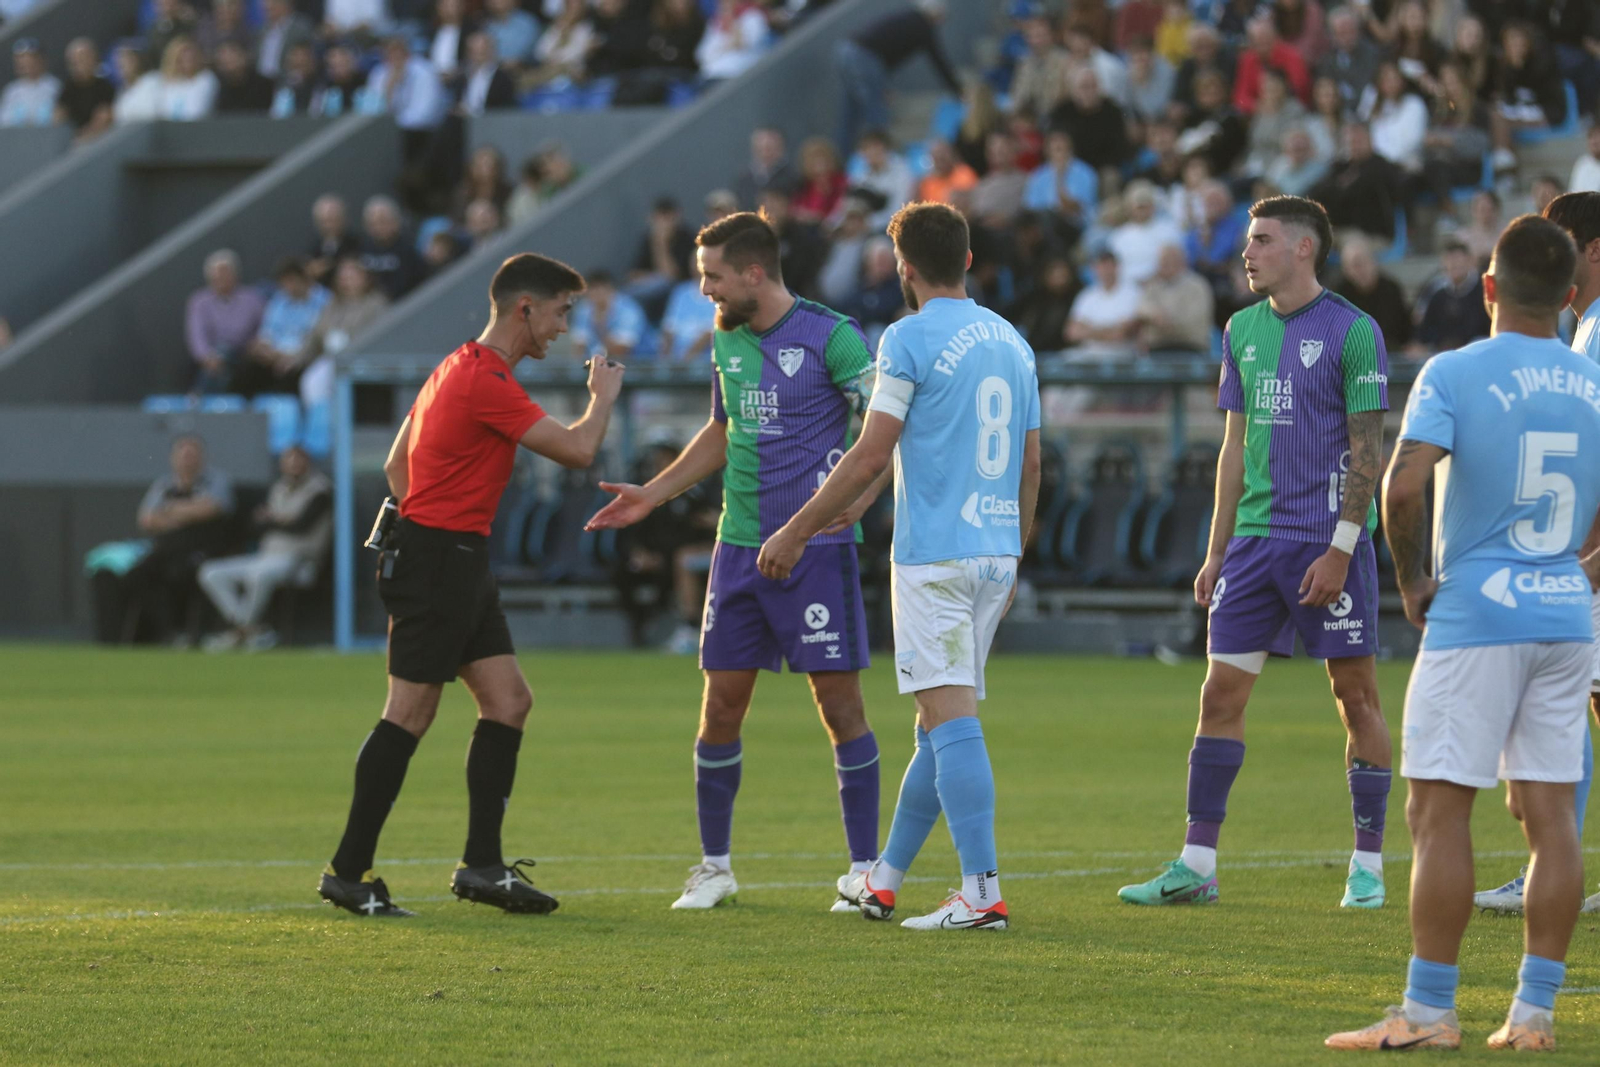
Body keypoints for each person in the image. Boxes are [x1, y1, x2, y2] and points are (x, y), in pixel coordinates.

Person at [1325, 214, 1598, 1054]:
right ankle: (1534, 1014)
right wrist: (1581, 568)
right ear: (1569, 295)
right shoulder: (1593, 379)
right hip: (1566, 612)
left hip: (1479, 613)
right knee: (1552, 817)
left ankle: (1430, 1010)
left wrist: (1410, 582)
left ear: (1487, 288)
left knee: (1438, 810)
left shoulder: (1454, 369)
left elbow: (1401, 489)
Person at [586, 212, 884, 913]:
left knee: (839, 706)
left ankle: (865, 869)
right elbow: (723, 429)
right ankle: (714, 866)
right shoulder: (726, 339)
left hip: (817, 549)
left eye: (713, 276)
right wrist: (654, 495)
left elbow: (884, 432)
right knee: (720, 706)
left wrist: (864, 502)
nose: (704, 290)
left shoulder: (832, 336)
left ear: (753, 271)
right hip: (738, 545)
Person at [318, 253, 625, 918]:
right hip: (439, 561)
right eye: (559, 312)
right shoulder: (485, 378)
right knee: (409, 713)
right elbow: (577, 449)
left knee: (509, 699)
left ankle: (482, 866)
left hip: (455, 556)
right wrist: (602, 399)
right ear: (525, 309)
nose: (562, 328)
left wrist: (436, 518)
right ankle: (348, 870)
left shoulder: (455, 366)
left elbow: (401, 463)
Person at [1117, 196, 1394, 911]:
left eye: (1263, 240)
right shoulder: (1240, 329)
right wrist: (1216, 549)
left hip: (1325, 545)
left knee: (1354, 696)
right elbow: (1234, 448)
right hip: (1253, 545)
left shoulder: (1354, 331)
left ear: (1304, 248)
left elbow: (1369, 450)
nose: (1248, 253)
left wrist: (1341, 548)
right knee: (1219, 693)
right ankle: (1196, 863)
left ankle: (1368, 866)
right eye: (1249, 241)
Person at [771, 200, 1042, 931]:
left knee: (951, 720)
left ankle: (982, 893)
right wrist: (1012, 555)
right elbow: (1032, 459)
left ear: (905, 269)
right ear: (970, 263)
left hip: (935, 559)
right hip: (993, 549)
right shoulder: (1013, 341)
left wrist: (798, 528)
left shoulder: (908, 337)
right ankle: (884, 879)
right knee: (935, 720)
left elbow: (869, 447)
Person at [1474, 193, 1600, 919]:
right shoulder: (1583, 333)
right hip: (1574, 559)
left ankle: (1551, 869)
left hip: (1582, 560)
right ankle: (1555, 867)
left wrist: (1585, 559)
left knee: (1557, 712)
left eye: (1570, 245)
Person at [94, 436, 236, 645]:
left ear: (202, 458)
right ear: (173, 458)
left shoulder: (217, 481)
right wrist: (189, 513)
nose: (188, 459)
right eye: (183, 454)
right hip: (165, 549)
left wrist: (170, 511)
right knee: (137, 576)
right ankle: (168, 631)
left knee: (179, 574)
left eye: (192, 454)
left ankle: (189, 631)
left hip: (201, 549)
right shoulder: (163, 485)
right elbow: (147, 519)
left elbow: (211, 509)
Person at [198, 445, 331, 652]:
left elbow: (301, 525)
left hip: (300, 560)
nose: (294, 464)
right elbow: (255, 525)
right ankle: (251, 631)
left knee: (259, 575)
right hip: (268, 556)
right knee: (211, 572)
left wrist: (271, 519)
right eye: (289, 459)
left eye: (299, 459)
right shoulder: (279, 488)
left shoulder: (321, 490)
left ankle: (238, 633)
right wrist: (277, 520)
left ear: (308, 462)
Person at [832, 0, 960, 153]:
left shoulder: (908, 19)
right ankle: (885, 154)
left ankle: (841, 154)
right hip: (863, 56)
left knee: (851, 112)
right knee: (877, 111)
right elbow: (939, 62)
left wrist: (884, 86)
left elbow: (886, 48)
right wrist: (959, 90)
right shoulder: (922, 25)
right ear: (934, 13)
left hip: (846, 51)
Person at [236, 257, 331, 397]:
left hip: (305, 357)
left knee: (290, 374)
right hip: (275, 355)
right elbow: (267, 333)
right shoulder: (279, 300)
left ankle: (284, 414)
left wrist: (292, 357)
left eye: (292, 281)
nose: (288, 287)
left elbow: (317, 339)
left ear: (304, 279)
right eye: (284, 283)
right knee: (247, 368)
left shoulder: (324, 301)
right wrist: (267, 350)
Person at [186, 249, 266, 394]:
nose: (221, 278)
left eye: (225, 273)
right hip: (214, 357)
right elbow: (197, 335)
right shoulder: (199, 301)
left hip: (246, 355)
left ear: (235, 275)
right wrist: (206, 357)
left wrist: (257, 344)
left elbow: (265, 328)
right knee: (220, 363)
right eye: (217, 274)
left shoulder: (252, 298)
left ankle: (198, 396)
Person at [1413, 239, 1492, 356]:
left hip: (1478, 352)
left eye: (1458, 259)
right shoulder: (1436, 293)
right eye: (1449, 259)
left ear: (1470, 261)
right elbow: (1425, 330)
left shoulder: (1485, 290)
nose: (1453, 264)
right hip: (1441, 354)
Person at [1333, 234, 1411, 352]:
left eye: (1363, 262)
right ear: (1346, 270)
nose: (1360, 270)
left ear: (1374, 261)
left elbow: (1404, 330)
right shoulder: (1338, 294)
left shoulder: (1391, 289)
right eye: (1354, 265)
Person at [1066, 249, 1142, 359]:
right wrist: (1109, 329)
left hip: (1123, 355)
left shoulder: (1133, 293)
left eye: (1108, 265)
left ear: (1117, 267)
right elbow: (1072, 332)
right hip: (1090, 355)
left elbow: (1121, 334)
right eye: (1101, 266)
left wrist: (1089, 329)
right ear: (1094, 268)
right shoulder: (1087, 296)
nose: (1105, 270)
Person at [1140, 243, 1213, 352]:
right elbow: (1142, 308)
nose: (1164, 264)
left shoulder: (1197, 286)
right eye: (1162, 261)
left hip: (1190, 349)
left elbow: (1194, 320)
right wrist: (1154, 315)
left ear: (1181, 261)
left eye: (1169, 260)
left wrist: (1165, 321)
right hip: (1157, 349)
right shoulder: (1153, 285)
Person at [570, 270, 647, 359]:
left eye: (600, 289)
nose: (597, 294)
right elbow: (579, 347)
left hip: (640, 363)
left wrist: (600, 322)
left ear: (611, 289)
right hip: (600, 363)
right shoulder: (584, 308)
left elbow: (621, 351)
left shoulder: (629, 310)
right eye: (592, 289)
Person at [359, 195, 424, 301]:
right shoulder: (363, 248)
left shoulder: (407, 249)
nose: (378, 227)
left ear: (395, 221)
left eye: (382, 221)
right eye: (372, 223)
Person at [55, 38, 114, 142]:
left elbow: (104, 117)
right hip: (72, 140)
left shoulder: (105, 87)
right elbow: (58, 117)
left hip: (99, 140)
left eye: (83, 59)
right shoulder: (67, 88)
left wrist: (83, 137)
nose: (79, 65)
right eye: (74, 61)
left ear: (94, 60)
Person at [731, 126, 796, 211]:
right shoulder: (743, 179)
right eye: (761, 147)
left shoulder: (793, 177)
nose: (765, 152)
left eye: (769, 147)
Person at [0, 38, 59, 127]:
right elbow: (4, 121)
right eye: (20, 59)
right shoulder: (11, 91)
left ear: (40, 59)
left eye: (30, 58)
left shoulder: (54, 86)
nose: (25, 63)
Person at [307, 195, 359, 286]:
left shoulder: (357, 242)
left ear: (343, 218)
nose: (328, 225)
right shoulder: (314, 248)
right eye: (324, 221)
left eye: (332, 220)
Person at [257, 0, 316, 80]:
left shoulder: (301, 27)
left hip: (287, 81)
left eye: (272, 3)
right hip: (261, 81)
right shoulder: (263, 29)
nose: (267, 6)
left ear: (285, 4)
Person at [214, 40, 275, 113]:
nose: (228, 66)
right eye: (223, 62)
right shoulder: (220, 88)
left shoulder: (265, 85)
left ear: (244, 57)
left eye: (232, 59)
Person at [1570, 124, 1600, 195]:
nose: (1595, 141)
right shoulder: (1582, 163)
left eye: (1598, 136)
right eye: (1591, 137)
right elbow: (1574, 192)